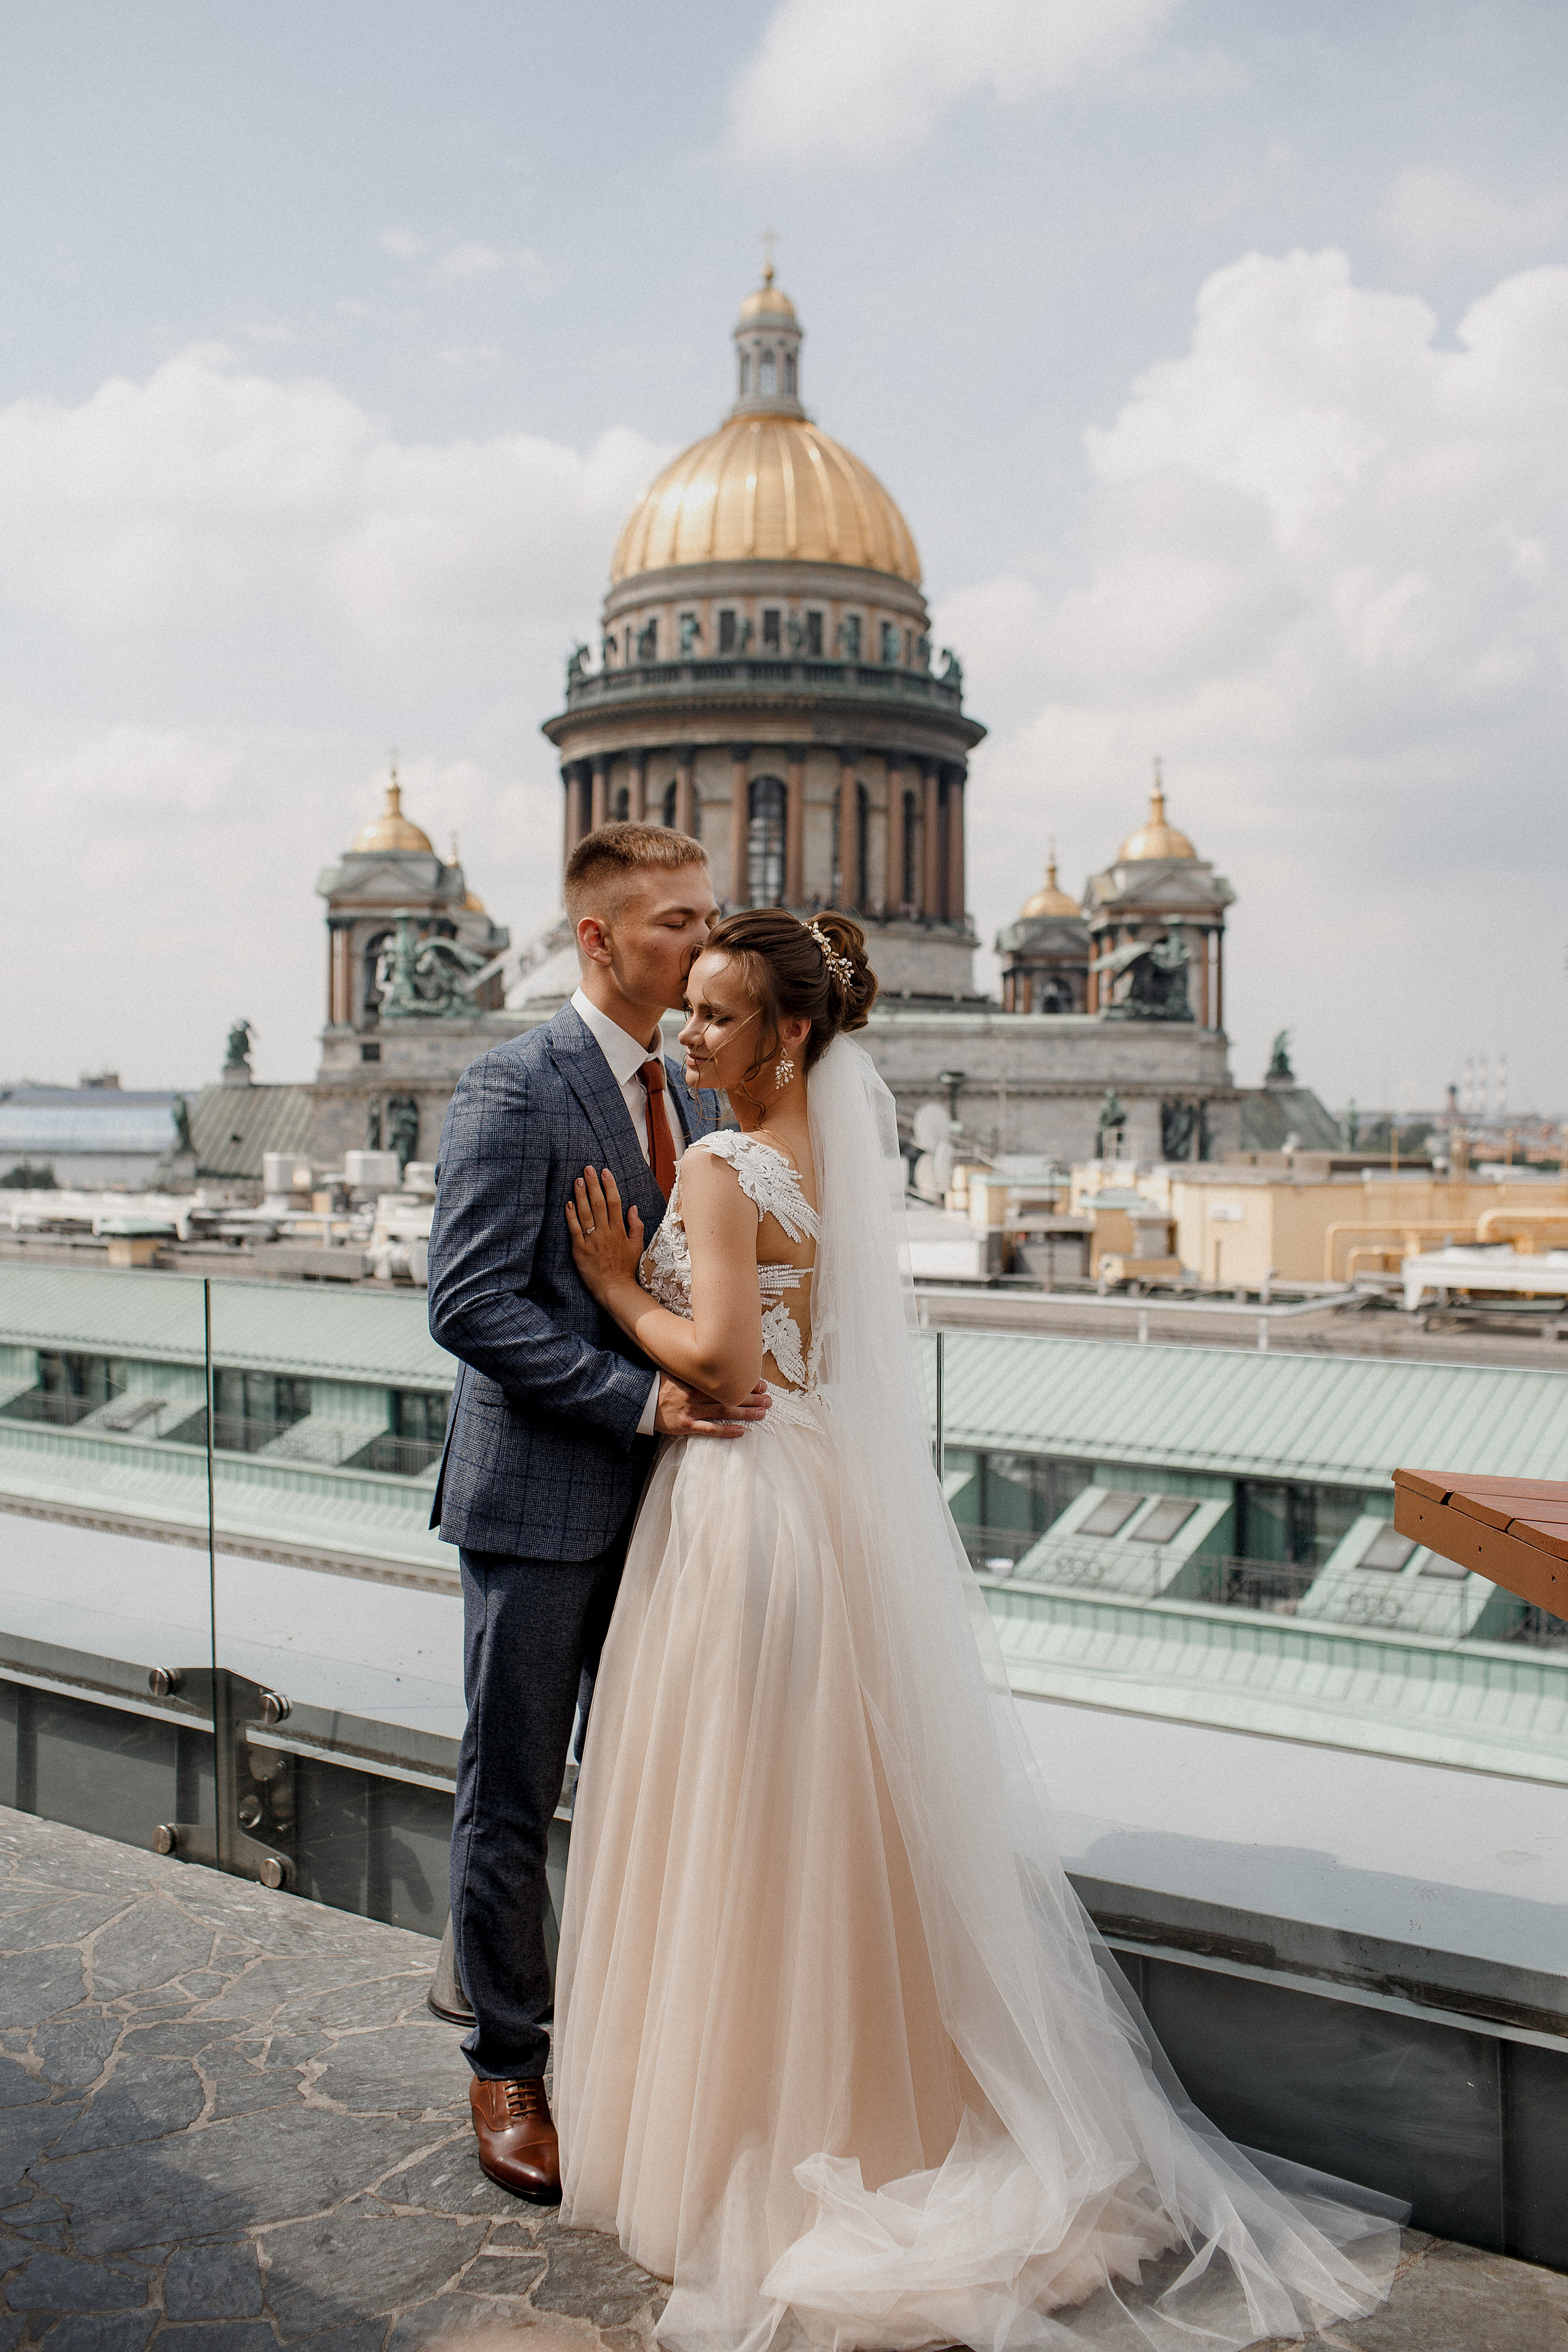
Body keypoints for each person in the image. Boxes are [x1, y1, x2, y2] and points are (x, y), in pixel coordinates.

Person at [553, 907, 1404, 2352]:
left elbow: (721, 1359)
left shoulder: (709, 1163)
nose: (684, 1038)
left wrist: (615, 1283)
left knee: (729, 1818)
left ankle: (741, 2130)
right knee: (831, 1822)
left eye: (712, 1016)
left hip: (738, 1512)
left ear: (791, 1034)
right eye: (684, 1010)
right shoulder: (829, 1160)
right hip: (821, 1504)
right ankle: (876, 2104)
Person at [425, 824, 771, 2207]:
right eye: (678, 922)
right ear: (598, 939)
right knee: (511, 1793)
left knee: (648, 1788)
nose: (704, 943)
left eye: (707, 918)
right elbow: (466, 1303)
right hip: (544, 1500)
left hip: (678, 1509)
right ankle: (507, 2061)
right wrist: (635, 1399)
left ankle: (626, 2046)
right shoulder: (515, 1084)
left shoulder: (699, 1099)